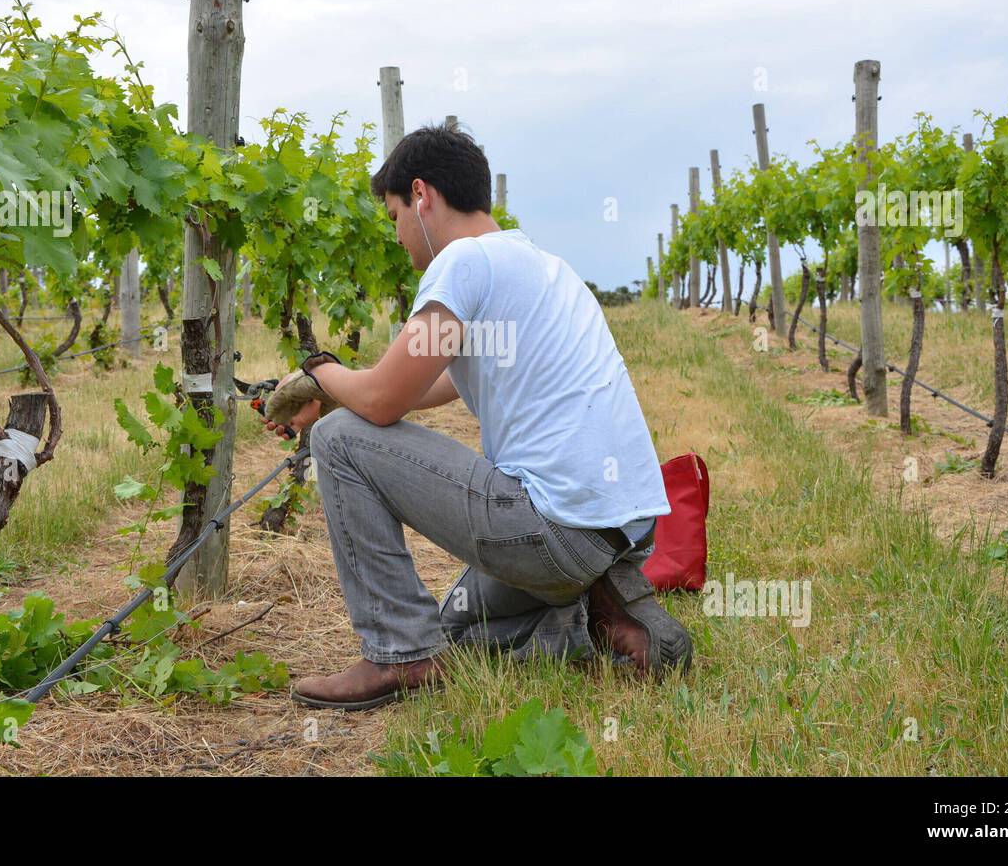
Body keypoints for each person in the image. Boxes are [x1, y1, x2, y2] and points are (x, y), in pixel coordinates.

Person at [264, 124, 692, 710]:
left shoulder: (462, 262)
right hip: (622, 532)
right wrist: (342, 388)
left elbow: (385, 400)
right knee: (458, 631)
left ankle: (398, 656)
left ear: (422, 195)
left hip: (556, 530)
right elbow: (431, 383)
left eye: (392, 216)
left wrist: (320, 373)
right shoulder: (539, 264)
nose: (395, 237)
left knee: (338, 440)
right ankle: (602, 612)